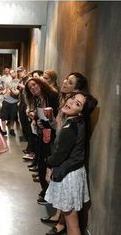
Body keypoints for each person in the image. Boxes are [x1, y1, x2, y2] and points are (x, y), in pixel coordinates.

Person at [44, 92, 97, 235]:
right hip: (73, 174)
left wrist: (48, 164)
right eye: (73, 98)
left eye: (77, 104)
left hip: (69, 177)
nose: (71, 102)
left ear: (81, 112)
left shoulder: (72, 128)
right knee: (70, 219)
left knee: (73, 225)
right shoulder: (76, 122)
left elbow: (58, 157)